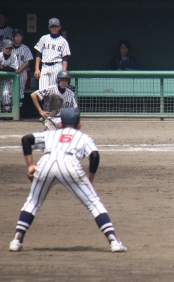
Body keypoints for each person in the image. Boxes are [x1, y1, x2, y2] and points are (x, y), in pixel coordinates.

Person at [8, 107, 127, 253]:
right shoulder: (83, 137)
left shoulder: (51, 134)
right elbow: (94, 155)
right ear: (80, 125)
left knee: (33, 202)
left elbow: (26, 139)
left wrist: (31, 165)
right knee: (93, 203)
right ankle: (114, 242)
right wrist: (90, 179)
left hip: (46, 163)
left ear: (61, 124)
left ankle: (16, 240)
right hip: (70, 165)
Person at [34, 17, 70, 90]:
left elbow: (65, 58)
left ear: (59, 27)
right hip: (45, 66)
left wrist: (63, 72)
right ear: (49, 28)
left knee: (53, 90)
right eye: (52, 27)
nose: (54, 29)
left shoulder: (63, 41)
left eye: (55, 27)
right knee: (42, 90)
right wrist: (37, 68)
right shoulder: (44, 38)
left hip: (57, 66)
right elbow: (39, 54)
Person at [0, 39, 20, 112]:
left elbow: (14, 68)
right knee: (0, 94)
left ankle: (7, 111)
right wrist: (7, 68)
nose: (8, 50)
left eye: (10, 48)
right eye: (6, 48)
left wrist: (3, 67)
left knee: (6, 93)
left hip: (8, 79)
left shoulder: (13, 56)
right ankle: (2, 111)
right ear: (2, 48)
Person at [11, 29, 34, 107]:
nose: (18, 38)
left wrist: (20, 70)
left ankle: (19, 108)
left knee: (20, 90)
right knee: (10, 90)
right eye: (16, 36)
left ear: (22, 37)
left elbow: (27, 61)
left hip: (22, 71)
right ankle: (9, 108)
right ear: (13, 37)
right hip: (11, 72)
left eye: (20, 36)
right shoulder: (9, 48)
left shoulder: (25, 48)